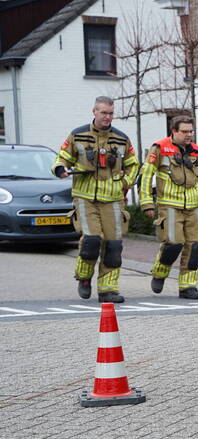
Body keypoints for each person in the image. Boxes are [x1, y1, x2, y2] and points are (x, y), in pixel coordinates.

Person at [53, 96, 140, 303]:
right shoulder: (78, 135)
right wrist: (60, 169)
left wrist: (124, 183)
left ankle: (108, 289)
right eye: (103, 113)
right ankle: (84, 277)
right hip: (85, 197)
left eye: (110, 113)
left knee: (113, 246)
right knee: (92, 240)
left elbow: (133, 164)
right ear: (94, 112)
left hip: (112, 199)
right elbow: (62, 157)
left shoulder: (121, 139)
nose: (107, 117)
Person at [138, 116, 198, 299]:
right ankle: (160, 272)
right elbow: (146, 176)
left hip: (194, 207)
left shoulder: (197, 152)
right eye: (184, 131)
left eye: (191, 131)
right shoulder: (159, 149)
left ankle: (188, 287)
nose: (188, 135)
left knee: (195, 247)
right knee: (174, 244)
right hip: (169, 205)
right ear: (174, 131)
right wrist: (147, 203)